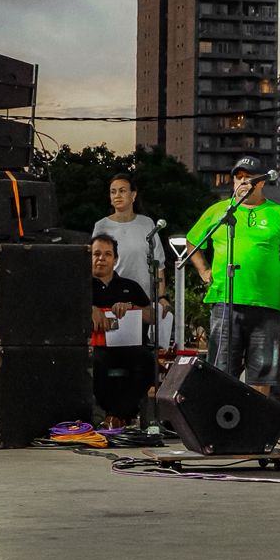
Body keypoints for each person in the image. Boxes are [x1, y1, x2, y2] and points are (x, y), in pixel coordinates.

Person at [186, 157, 280, 396]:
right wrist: (203, 270)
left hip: (266, 305)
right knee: (221, 372)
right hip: (225, 300)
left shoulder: (279, 214)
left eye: (248, 177)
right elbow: (192, 242)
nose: (242, 181)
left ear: (260, 182)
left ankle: (256, 420)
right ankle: (222, 418)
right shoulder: (219, 211)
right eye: (238, 177)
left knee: (262, 374)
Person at [89, 233, 155, 428]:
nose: (101, 258)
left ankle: (118, 415)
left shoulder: (130, 287)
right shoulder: (80, 287)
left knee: (148, 361)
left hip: (128, 346)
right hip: (95, 348)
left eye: (107, 254)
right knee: (94, 364)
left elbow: (152, 316)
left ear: (115, 259)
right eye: (96, 254)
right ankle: (107, 416)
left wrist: (132, 308)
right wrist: (89, 309)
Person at [92, 172, 169, 309]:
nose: (117, 195)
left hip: (143, 302)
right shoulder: (101, 226)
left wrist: (162, 297)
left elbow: (158, 265)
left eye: (122, 191)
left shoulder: (147, 223)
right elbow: (94, 264)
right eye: (113, 192)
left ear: (133, 195)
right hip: (111, 301)